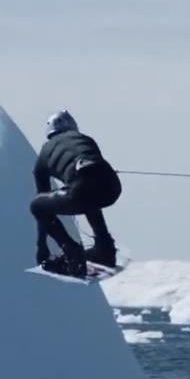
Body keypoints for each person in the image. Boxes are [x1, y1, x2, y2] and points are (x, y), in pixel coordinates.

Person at [30, 110, 122, 277]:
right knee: (89, 194)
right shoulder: (85, 139)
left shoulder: (44, 154)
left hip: (81, 189)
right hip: (112, 186)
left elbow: (42, 204)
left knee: (36, 206)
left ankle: (72, 252)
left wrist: (42, 247)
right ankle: (105, 247)